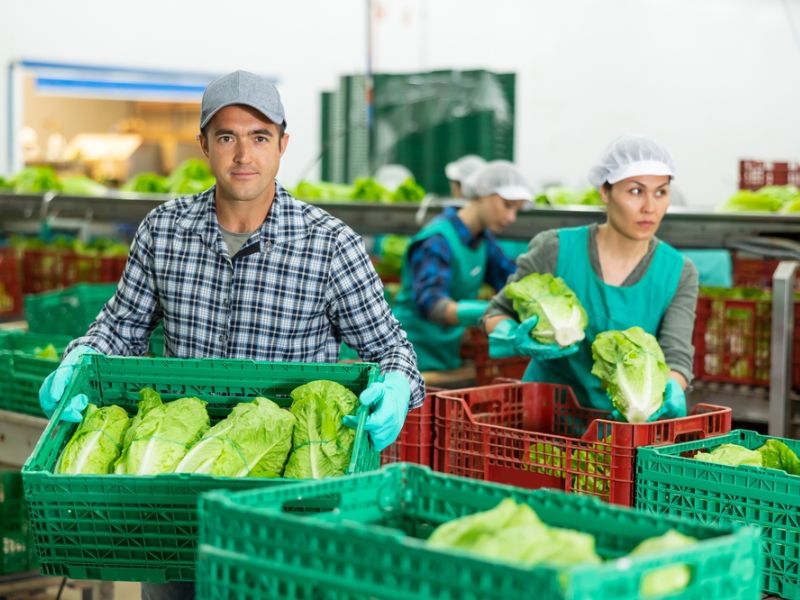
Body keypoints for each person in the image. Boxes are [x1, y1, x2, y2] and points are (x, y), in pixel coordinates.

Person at [38, 69, 425, 600]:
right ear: (203, 145)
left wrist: (399, 387)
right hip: (178, 490)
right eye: (226, 137)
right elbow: (119, 329)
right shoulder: (164, 231)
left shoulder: (331, 245)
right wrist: (77, 361)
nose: (244, 155)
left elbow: (391, 349)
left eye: (260, 137)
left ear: (283, 145)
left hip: (282, 496)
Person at [484, 134, 698, 419]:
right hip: (545, 418)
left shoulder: (678, 272)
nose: (650, 206)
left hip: (624, 430)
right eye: (635, 191)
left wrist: (669, 388)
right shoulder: (556, 249)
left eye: (661, 192)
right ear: (605, 192)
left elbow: (677, 355)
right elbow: (496, 312)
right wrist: (511, 334)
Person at [392, 160, 532, 371]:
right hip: (410, 355)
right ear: (484, 193)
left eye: (517, 211)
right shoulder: (437, 240)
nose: (511, 217)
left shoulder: (484, 241)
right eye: (507, 205)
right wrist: (488, 312)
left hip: (446, 355)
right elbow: (431, 304)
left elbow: (509, 280)